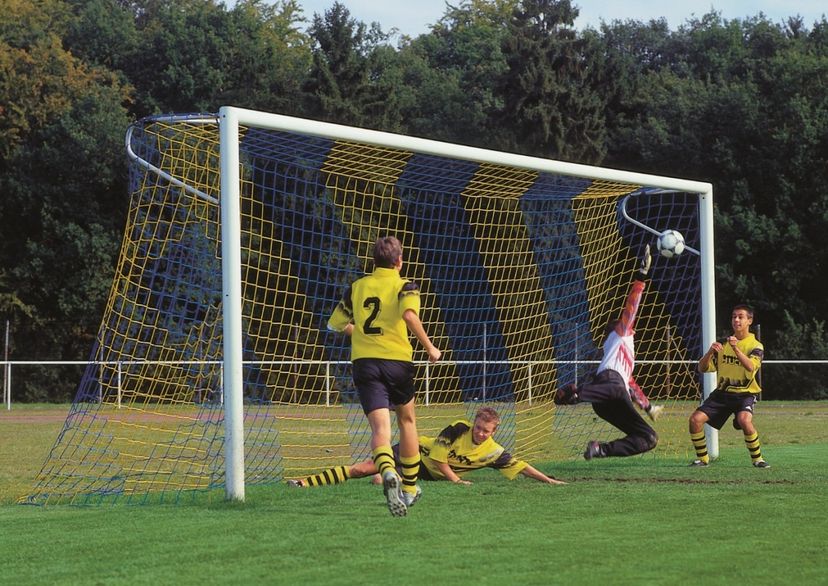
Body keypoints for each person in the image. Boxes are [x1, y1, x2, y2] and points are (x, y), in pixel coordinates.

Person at [327, 236, 441, 517]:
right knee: (407, 420)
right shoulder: (406, 286)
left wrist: (363, 336)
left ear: (373, 261)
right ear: (399, 261)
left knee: (380, 430)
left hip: (365, 364)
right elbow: (410, 316)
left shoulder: (357, 287)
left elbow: (336, 325)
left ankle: (388, 470)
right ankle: (411, 488)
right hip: (397, 362)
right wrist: (430, 347)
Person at [286, 407, 566, 489]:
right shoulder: (458, 428)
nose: (479, 433)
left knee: (379, 476)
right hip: (416, 452)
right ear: (474, 423)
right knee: (363, 468)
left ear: (494, 432)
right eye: (478, 427)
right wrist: (457, 481)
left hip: (426, 474)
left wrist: (550, 480)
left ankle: (386, 476)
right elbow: (441, 461)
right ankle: (303, 483)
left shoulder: (493, 451)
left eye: (485, 430)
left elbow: (521, 466)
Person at [554, 245, 660, 460]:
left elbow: (631, 384)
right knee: (615, 388)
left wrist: (649, 408)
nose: (631, 325)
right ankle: (576, 394)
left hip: (608, 400)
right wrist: (642, 277)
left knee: (649, 437)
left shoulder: (623, 356)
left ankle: (600, 449)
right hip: (608, 387)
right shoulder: (621, 335)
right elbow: (632, 306)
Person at [688, 304, 769, 468]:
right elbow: (702, 368)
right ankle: (703, 460)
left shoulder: (755, 345)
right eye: (734, 316)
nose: (736, 320)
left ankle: (758, 459)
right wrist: (710, 351)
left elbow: (751, 367)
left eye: (740, 317)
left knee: (744, 420)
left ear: (749, 321)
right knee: (695, 420)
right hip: (722, 394)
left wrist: (736, 349)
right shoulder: (722, 344)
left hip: (745, 394)